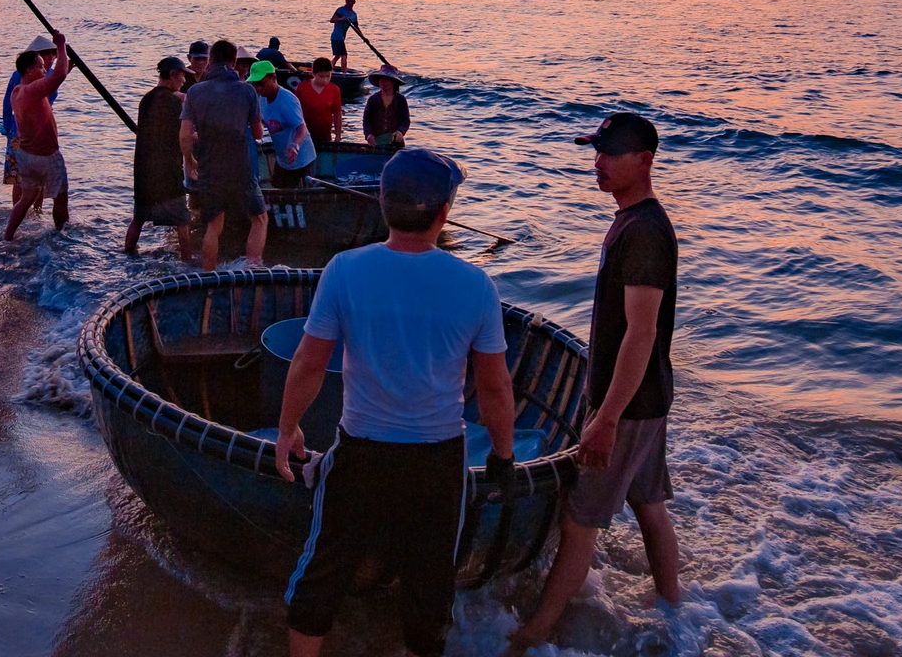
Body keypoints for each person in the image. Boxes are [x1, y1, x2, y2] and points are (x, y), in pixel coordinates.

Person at [277, 148, 517, 657]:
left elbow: (309, 363)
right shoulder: (475, 284)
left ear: (382, 204)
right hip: (437, 461)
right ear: (443, 214)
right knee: (431, 583)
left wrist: (288, 429)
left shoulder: (344, 270)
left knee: (322, 570)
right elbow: (494, 387)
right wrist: (502, 455)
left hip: (361, 454)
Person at [509, 113, 681, 648]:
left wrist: (605, 417)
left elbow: (642, 332)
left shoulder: (646, 231)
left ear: (645, 161)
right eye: (596, 151)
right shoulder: (630, 220)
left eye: (610, 153)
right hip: (644, 397)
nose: (598, 163)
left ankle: (532, 636)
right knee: (649, 506)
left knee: (580, 520)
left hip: (627, 405)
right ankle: (677, 613)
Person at [180, 38, 266, 270]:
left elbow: (185, 134)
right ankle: (253, 269)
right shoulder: (247, 90)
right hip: (240, 167)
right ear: (234, 61)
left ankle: (208, 277)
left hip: (209, 167)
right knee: (259, 219)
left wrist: (190, 161)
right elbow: (258, 133)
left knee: (213, 225)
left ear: (210, 61)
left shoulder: (195, 92)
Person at [4, 30, 71, 239]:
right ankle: (61, 236)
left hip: (26, 156)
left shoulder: (18, 91)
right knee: (61, 198)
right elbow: (58, 76)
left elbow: (56, 76)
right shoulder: (33, 90)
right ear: (29, 70)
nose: (45, 69)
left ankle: (7, 236)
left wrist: (65, 65)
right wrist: (61, 45)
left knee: (26, 198)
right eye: (41, 66)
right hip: (46, 156)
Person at [126, 56, 193, 258]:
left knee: (138, 218)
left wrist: (182, 97)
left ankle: (127, 254)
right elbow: (183, 134)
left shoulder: (146, 99)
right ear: (173, 75)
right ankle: (188, 264)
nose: (184, 81)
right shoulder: (172, 103)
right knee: (182, 221)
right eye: (182, 76)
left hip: (144, 172)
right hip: (167, 172)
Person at [1, 34, 60, 200]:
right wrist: (7, 127)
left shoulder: (51, 75)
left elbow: (55, 85)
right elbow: (8, 103)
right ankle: (18, 213)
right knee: (18, 177)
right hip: (19, 130)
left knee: (39, 176)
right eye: (46, 54)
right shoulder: (18, 76)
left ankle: (37, 213)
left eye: (53, 54)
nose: (51, 58)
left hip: (41, 130)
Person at [250, 59, 315, 187]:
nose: (258, 88)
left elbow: (301, 127)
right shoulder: (262, 98)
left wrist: (294, 145)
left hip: (301, 158)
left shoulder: (287, 100)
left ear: (274, 78)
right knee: (279, 193)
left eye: (261, 83)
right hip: (282, 159)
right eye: (255, 84)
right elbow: (264, 120)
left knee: (303, 198)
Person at [295, 56, 344, 145]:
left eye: (328, 76)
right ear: (313, 74)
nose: (325, 79)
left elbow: (337, 114)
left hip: (325, 136)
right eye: (321, 76)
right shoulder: (302, 88)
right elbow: (295, 112)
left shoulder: (334, 89)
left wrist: (338, 136)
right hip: (304, 135)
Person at [363, 65, 410, 148]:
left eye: (386, 79)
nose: (383, 82)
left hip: (396, 144)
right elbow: (366, 121)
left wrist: (400, 131)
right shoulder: (373, 99)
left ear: (393, 82)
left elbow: (405, 121)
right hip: (376, 143)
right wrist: (368, 135)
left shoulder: (400, 100)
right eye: (381, 79)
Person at [328, 0, 360, 70]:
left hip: (342, 38)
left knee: (338, 55)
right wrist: (342, 19)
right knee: (344, 55)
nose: (350, 3)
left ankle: (329, 69)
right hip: (336, 36)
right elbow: (332, 20)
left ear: (354, 2)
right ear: (345, 1)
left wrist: (364, 38)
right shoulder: (341, 10)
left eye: (352, 1)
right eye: (348, 1)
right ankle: (344, 73)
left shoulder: (353, 15)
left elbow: (356, 27)